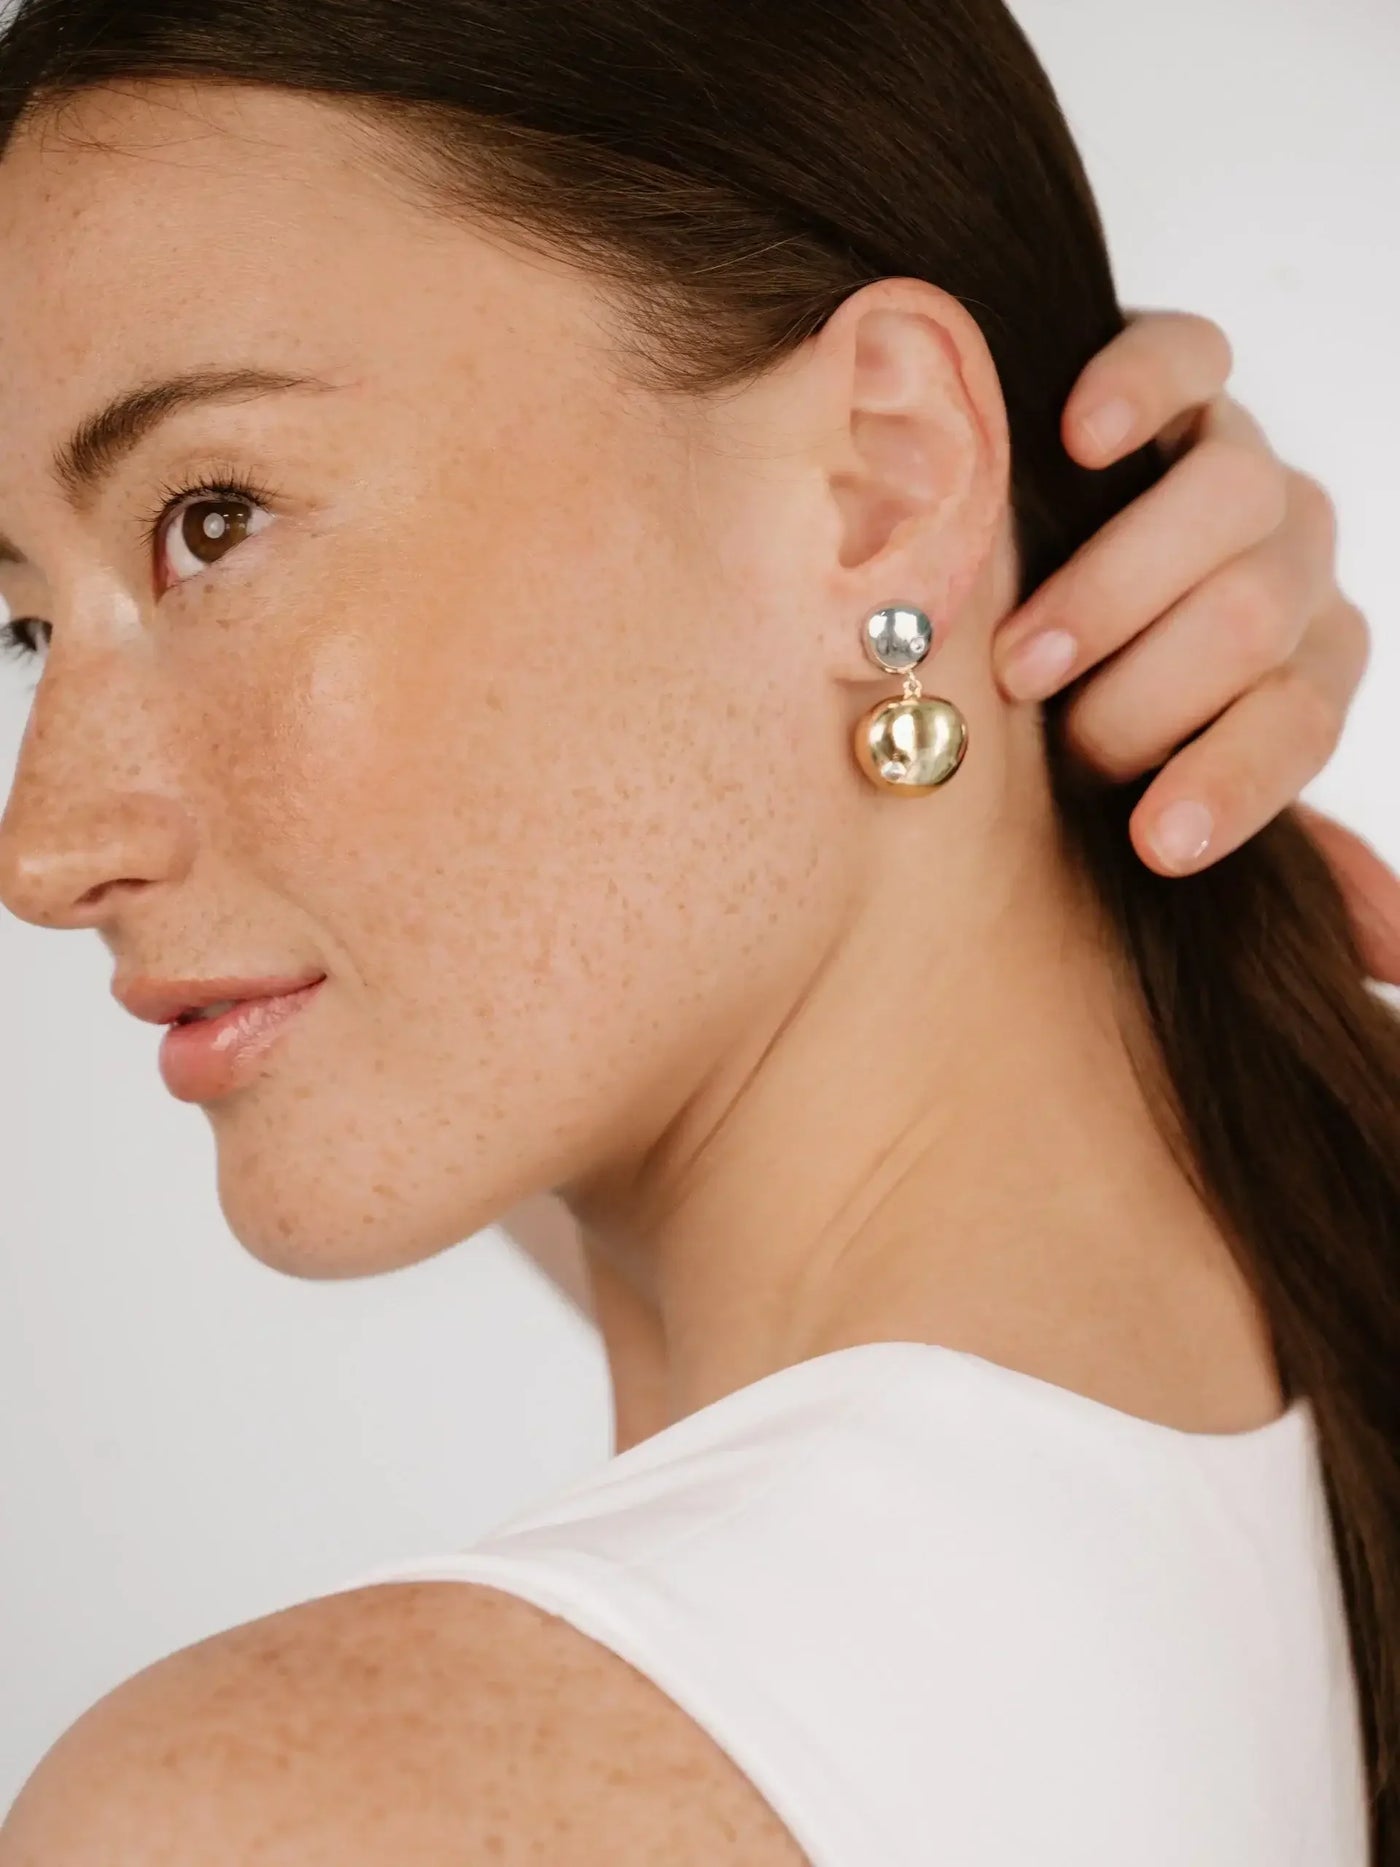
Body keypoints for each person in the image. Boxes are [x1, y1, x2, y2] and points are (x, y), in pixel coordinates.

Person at [0, 2, 1395, 1863]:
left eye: (214, 520)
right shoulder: (1286, 1404)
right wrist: (1010, 547)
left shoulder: (301, 1815)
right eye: (26, 626)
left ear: (881, 476)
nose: (46, 848)